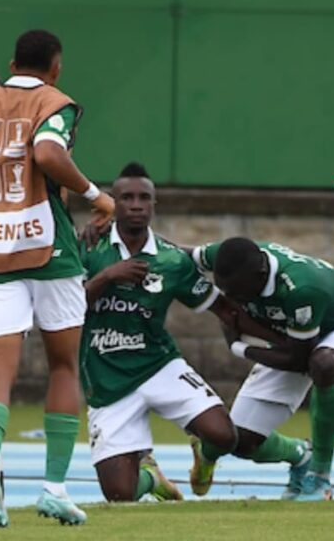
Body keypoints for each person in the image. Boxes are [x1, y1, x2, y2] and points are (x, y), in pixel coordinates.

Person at [0, 29, 114, 527]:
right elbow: (48, 154)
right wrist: (96, 195)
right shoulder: (55, 102)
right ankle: (54, 486)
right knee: (64, 367)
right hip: (47, 248)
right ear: (56, 67)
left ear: (10, 62)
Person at [82, 163, 237, 502]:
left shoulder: (171, 260)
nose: (136, 205)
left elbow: (221, 307)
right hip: (106, 379)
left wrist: (264, 333)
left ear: (154, 205)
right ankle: (151, 477)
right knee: (121, 497)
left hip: (158, 366)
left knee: (224, 435)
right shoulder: (89, 248)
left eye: (144, 198)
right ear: (114, 203)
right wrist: (107, 277)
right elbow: (64, 310)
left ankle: (203, 456)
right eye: (127, 198)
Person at [188, 237, 334, 501]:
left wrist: (238, 347)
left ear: (261, 275)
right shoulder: (228, 254)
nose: (231, 298)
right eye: (224, 290)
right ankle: (301, 456)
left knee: (323, 364)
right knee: (240, 442)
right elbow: (176, 255)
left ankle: (320, 477)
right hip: (292, 336)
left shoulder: (301, 289)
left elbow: (299, 361)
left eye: (236, 292)